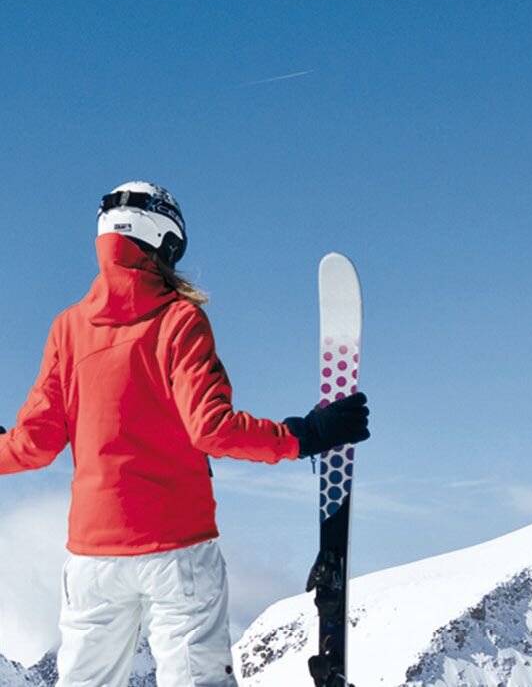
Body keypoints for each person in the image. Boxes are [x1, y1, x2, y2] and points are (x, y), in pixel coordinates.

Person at [0, 182, 370, 687]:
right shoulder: (179, 320)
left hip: (92, 559)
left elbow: (34, 444)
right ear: (162, 241)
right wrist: (303, 435)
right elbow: (212, 429)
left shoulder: (68, 328)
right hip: (177, 549)